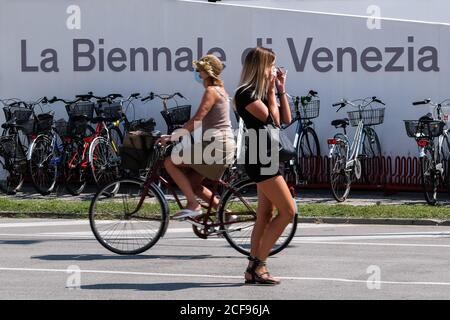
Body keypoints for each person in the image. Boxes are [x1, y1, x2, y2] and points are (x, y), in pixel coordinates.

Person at [234, 47, 296, 285]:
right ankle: (260, 264)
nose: (274, 70)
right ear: (260, 67)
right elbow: (271, 119)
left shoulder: (260, 91)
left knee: (265, 215)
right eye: (271, 65)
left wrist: (280, 90)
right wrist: (271, 90)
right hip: (259, 159)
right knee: (288, 211)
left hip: (269, 157)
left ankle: (252, 267)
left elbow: (286, 120)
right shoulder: (245, 94)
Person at [157, 54, 236, 219]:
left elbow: (197, 120)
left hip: (215, 144)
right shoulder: (221, 91)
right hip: (224, 144)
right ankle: (226, 214)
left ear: (207, 72)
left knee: (170, 162)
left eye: (198, 70)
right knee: (192, 184)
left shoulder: (211, 91)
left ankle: (193, 205)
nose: (196, 73)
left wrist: (172, 137)